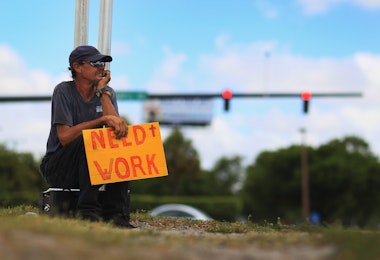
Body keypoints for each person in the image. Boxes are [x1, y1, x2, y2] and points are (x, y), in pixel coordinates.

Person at [40, 45, 134, 228]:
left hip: (92, 166)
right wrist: (102, 120)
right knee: (88, 138)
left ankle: (117, 216)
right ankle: (87, 212)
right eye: (96, 63)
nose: (102, 68)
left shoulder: (107, 92)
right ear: (78, 67)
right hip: (59, 166)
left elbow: (116, 127)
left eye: (103, 63)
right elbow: (65, 137)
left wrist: (102, 93)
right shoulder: (63, 91)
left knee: (119, 139)